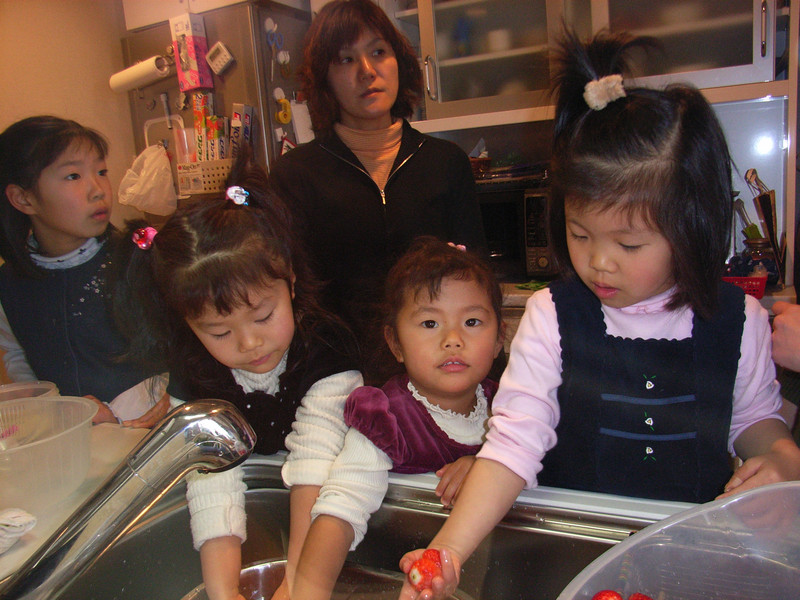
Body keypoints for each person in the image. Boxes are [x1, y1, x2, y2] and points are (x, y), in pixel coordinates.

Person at [397, 30, 800, 600]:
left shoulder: (741, 321)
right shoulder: (550, 316)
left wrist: (783, 460)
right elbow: (514, 445)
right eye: (579, 233)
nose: (598, 262)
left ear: (691, 225)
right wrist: (450, 552)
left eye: (629, 244)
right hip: (567, 558)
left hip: (692, 563)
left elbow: (755, 422)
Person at [112, 151, 385, 600]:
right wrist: (223, 592)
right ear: (188, 324)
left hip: (330, 519)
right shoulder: (194, 370)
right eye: (219, 332)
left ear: (290, 283)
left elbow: (315, 468)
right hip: (264, 507)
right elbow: (212, 477)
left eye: (263, 316)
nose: (249, 343)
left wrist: (296, 585)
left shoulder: (326, 349)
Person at [267, 0, 487, 383]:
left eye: (379, 52)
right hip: (337, 380)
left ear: (399, 61)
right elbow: (293, 297)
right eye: (346, 59)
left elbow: (478, 279)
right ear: (324, 79)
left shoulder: (446, 162)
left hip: (439, 373)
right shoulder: (295, 174)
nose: (367, 71)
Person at [0, 115, 168, 426]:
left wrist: (169, 396)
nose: (98, 190)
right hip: (74, 435)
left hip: (151, 429)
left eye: (101, 172)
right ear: (23, 198)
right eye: (73, 176)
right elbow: (18, 356)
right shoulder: (9, 285)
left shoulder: (137, 257)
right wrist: (48, 408)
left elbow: (185, 341)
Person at [343, 237, 505, 506]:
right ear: (396, 343)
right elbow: (345, 504)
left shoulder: (513, 408)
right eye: (430, 323)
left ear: (499, 339)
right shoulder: (384, 419)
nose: (453, 340)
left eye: (471, 321)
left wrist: (490, 466)